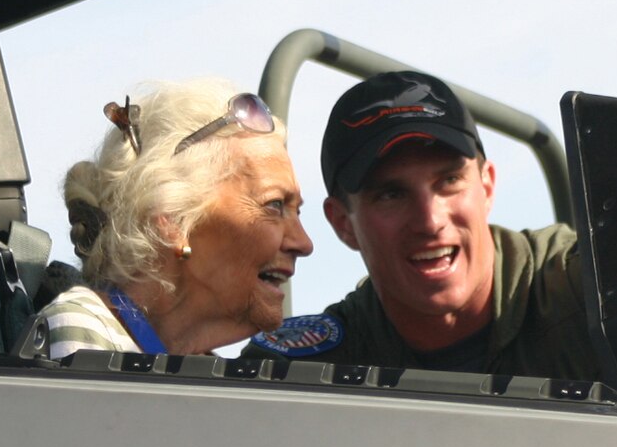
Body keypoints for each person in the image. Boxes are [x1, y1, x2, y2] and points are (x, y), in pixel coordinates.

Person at [245, 71, 598, 379]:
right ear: (342, 223)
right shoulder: (303, 374)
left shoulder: (590, 291)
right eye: (391, 195)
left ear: (486, 186)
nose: (430, 221)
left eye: (449, 181)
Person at [40, 78, 313, 360]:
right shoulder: (88, 333)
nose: (303, 243)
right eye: (274, 205)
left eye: (297, 211)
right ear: (173, 219)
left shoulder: (211, 374)